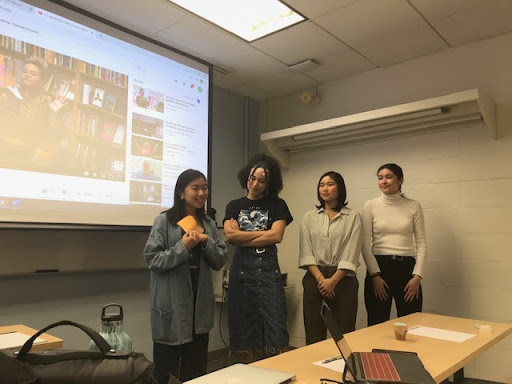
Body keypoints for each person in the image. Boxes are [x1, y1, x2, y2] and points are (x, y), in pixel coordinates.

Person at [144, 169, 227, 382]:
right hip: (172, 305)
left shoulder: (208, 224)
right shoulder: (163, 221)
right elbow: (153, 259)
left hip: (199, 306)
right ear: (181, 193)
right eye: (195, 188)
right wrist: (183, 246)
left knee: (196, 373)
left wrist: (205, 241)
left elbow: (219, 260)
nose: (201, 193)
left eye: (205, 187)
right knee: (166, 374)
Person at [223, 153, 293, 362]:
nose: (255, 184)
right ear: (247, 176)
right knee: (244, 328)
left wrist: (242, 238)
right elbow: (229, 235)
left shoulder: (277, 204)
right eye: (252, 178)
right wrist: (264, 235)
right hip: (242, 275)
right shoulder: (234, 205)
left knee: (275, 327)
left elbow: (277, 235)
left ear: (269, 183)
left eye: (261, 180)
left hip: (269, 273)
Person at [299, 171, 362, 345]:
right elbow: (306, 252)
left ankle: (344, 370)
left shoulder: (353, 217)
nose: (325, 188)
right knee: (313, 334)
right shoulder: (309, 217)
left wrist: (332, 281)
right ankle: (313, 371)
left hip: (343, 279)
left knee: (344, 334)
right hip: (315, 278)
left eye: (330, 184)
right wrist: (321, 280)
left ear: (340, 188)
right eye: (321, 185)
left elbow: (352, 251)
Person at [361, 163, 427, 326]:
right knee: (377, 322)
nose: (384, 181)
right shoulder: (370, 205)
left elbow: (421, 243)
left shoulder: (413, 206)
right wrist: (374, 275)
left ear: (400, 180)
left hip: (407, 270)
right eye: (380, 178)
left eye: (389, 177)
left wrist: (417, 276)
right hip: (379, 269)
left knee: (411, 323)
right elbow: (364, 243)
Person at [0, 55, 69, 171]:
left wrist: (53, 113)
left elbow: (51, 137)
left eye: (33, 73)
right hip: (5, 149)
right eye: (25, 71)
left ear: (42, 80)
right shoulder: (8, 95)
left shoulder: (47, 101)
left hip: (29, 154)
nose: (27, 75)